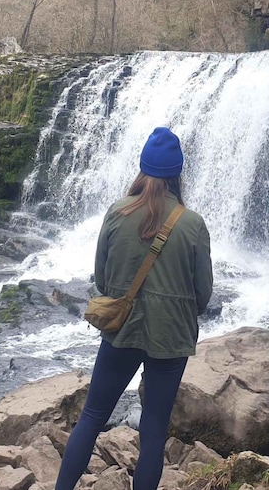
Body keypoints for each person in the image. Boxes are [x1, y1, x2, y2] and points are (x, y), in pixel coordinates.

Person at [55, 127, 213, 490]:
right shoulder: (192, 224)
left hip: (121, 331)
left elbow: (103, 278)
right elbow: (202, 293)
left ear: (142, 170)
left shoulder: (117, 212)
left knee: (92, 417)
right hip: (170, 338)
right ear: (177, 173)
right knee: (154, 431)